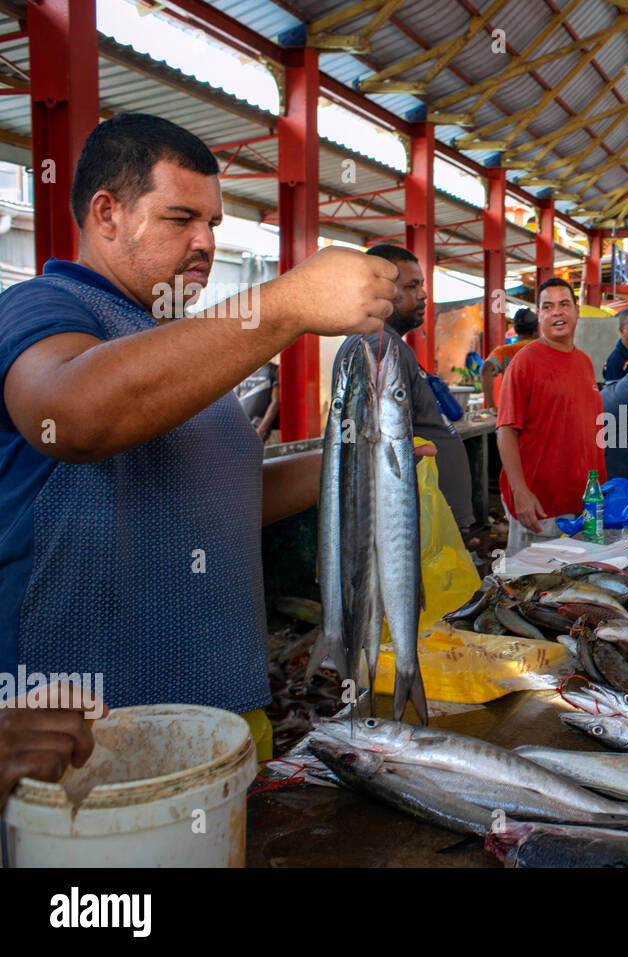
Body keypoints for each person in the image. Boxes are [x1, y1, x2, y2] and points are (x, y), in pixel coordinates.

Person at [0, 113, 396, 806]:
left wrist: (357, 462)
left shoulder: (181, 347)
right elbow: (78, 416)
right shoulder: (42, 308)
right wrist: (286, 302)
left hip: (224, 718)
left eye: (213, 223)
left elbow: (219, 499)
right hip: (96, 742)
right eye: (181, 218)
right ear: (107, 213)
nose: (206, 243)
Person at [332, 244, 475, 533]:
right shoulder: (378, 346)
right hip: (411, 528)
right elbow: (371, 443)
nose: (423, 294)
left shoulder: (390, 344)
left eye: (421, 285)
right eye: (411, 286)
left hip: (428, 523)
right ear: (379, 290)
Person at [496, 277, 605, 555]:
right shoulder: (525, 361)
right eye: (548, 306)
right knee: (528, 590)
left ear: (577, 311)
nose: (557, 312)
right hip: (539, 509)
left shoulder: (584, 362)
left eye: (564, 304)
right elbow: (506, 430)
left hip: (582, 507)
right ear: (540, 316)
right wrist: (520, 492)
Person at [482, 308, 538, 411]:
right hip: (540, 415)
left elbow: (486, 369)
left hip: (512, 415)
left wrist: (491, 406)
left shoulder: (504, 351)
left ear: (515, 329)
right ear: (536, 329)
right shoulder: (546, 350)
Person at [237, 359, 280, 442]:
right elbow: (236, 399)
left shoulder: (274, 370)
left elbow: (276, 402)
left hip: (256, 427)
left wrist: (262, 428)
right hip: (239, 426)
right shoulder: (243, 370)